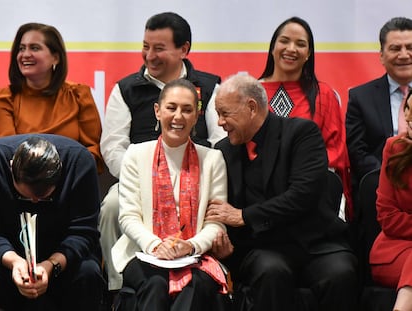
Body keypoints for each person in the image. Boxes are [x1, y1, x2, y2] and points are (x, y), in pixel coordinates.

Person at [206, 73, 358, 311]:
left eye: (225, 114)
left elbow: (302, 194)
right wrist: (226, 247)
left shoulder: (301, 133)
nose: (219, 123)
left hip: (314, 243)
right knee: (271, 271)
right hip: (262, 248)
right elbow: (219, 208)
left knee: (340, 272)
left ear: (251, 107)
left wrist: (245, 216)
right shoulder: (223, 150)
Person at [100, 11, 226, 291]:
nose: (149, 56)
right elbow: (112, 145)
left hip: (198, 177)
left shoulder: (209, 86)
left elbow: (221, 141)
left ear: (184, 49)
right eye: (145, 47)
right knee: (111, 205)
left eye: (159, 48)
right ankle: (118, 287)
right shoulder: (126, 89)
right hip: (138, 178)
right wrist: (146, 180)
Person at [111, 79, 228, 311]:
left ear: (197, 116)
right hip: (143, 252)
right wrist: (155, 245)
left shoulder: (212, 159)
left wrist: (191, 246)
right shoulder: (135, 154)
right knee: (155, 284)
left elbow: (216, 223)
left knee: (196, 284)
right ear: (157, 111)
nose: (178, 117)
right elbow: (128, 217)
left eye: (187, 110)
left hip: (195, 255)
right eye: (171, 108)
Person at [258, 16, 352, 221]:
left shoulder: (324, 95)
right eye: (284, 41)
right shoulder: (251, 93)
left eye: (300, 44)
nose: (291, 49)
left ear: (308, 54)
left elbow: (335, 152)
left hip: (311, 196)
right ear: (273, 46)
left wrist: (298, 175)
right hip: (259, 196)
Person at [0, 134, 104, 311]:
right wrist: (14, 261)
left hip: (63, 255)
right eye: (26, 196)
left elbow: (84, 232)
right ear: (11, 168)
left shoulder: (79, 162)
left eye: (42, 197)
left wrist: (51, 265)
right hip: (9, 253)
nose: (33, 202)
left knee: (88, 272)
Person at [0, 22, 103, 173]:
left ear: (56, 58)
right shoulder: (4, 98)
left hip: (69, 179)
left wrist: (64, 173)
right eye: (21, 48)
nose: (25, 54)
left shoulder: (79, 95)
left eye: (34, 48)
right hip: (20, 182)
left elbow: (93, 151)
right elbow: (6, 153)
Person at [346, 17, 412, 213]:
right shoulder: (360, 97)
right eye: (395, 48)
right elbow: (358, 152)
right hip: (378, 189)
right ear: (381, 55)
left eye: (410, 47)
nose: (404, 54)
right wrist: (390, 178)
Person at [369, 89, 412, 311]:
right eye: (409, 111)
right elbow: (388, 217)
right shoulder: (395, 148)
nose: (411, 119)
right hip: (393, 251)